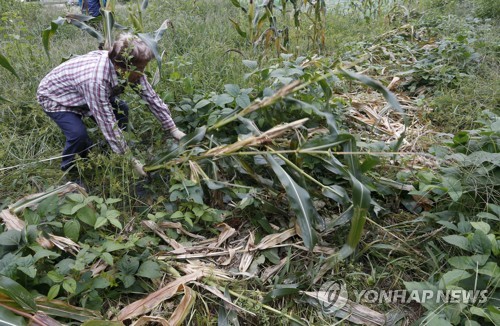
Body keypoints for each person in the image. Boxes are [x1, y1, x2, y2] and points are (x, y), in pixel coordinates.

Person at [37, 33, 186, 178]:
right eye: (140, 69)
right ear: (121, 68)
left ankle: (114, 148)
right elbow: (108, 123)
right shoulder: (96, 81)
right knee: (78, 136)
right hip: (56, 97)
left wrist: (172, 129)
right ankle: (71, 170)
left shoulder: (131, 68)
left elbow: (150, 97)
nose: (143, 73)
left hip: (81, 92)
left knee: (122, 110)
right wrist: (130, 161)